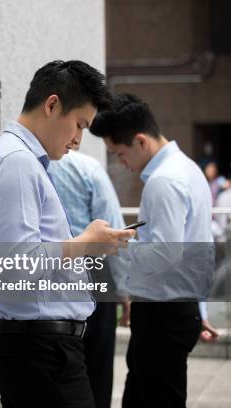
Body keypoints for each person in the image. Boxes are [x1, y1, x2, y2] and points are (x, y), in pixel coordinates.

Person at [0, 60, 135, 408]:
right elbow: (18, 264)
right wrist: (86, 243)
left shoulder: (14, 157)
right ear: (51, 105)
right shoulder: (17, 161)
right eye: (79, 125)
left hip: (38, 348)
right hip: (42, 351)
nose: (78, 140)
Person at [90, 93, 212, 407]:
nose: (121, 163)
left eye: (119, 153)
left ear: (141, 141)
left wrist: (113, 245)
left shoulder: (164, 181)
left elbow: (165, 255)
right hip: (174, 309)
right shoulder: (187, 168)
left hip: (163, 313)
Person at [48, 148, 127, 408]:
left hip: (49, 272)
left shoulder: (32, 167)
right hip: (94, 269)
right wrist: (125, 289)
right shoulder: (88, 168)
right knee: (97, 367)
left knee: (56, 364)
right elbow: (114, 232)